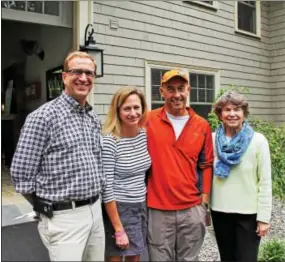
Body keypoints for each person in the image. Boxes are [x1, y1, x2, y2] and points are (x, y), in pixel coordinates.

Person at [10, 51, 106, 261]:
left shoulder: (92, 116)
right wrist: (47, 208)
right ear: (64, 77)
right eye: (77, 72)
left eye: (89, 73)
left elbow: (98, 163)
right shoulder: (43, 118)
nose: (83, 78)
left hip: (95, 212)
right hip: (63, 218)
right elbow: (21, 175)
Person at [146, 69, 214, 261]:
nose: (176, 95)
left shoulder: (201, 125)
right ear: (161, 92)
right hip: (158, 209)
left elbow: (206, 164)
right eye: (170, 89)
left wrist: (204, 202)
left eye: (181, 89)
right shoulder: (148, 120)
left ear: (188, 90)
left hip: (191, 209)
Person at [210, 91, 272, 262]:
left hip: (248, 214)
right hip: (220, 211)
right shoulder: (211, 140)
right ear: (220, 114)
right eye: (226, 109)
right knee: (227, 258)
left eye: (237, 109)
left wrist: (264, 218)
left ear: (244, 113)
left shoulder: (258, 141)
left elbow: (265, 182)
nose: (232, 114)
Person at [102, 86, 151, 262]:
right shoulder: (110, 141)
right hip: (119, 208)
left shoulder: (144, 135)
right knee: (116, 257)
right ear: (117, 111)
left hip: (140, 205)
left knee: (135, 257)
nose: (133, 113)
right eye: (127, 108)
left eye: (136, 107)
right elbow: (106, 187)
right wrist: (118, 228)